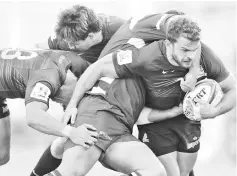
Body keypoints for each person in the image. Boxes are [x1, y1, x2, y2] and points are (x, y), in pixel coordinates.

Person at [63, 14, 236, 176]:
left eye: (194, 49)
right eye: (184, 50)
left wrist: (214, 111)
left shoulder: (205, 57)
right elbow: (98, 67)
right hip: (154, 123)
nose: (190, 56)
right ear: (168, 43)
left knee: (183, 172)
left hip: (187, 121)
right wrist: (72, 104)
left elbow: (233, 89)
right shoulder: (146, 55)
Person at [42, 43, 166, 176]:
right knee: (70, 169)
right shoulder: (130, 55)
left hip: (120, 130)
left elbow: (142, 117)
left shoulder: (156, 78)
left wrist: (178, 110)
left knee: (155, 172)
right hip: (98, 116)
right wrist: (72, 103)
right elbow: (98, 67)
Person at [0, 48, 99, 166]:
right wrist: (72, 132)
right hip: (38, 69)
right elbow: (33, 117)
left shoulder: (79, 64)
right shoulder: (47, 78)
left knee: (2, 156)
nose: (56, 100)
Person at [36, 4, 125, 64]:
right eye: (68, 43)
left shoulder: (120, 29)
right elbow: (37, 49)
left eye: (75, 44)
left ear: (91, 36)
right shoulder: (65, 40)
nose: (70, 47)